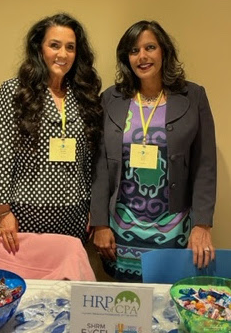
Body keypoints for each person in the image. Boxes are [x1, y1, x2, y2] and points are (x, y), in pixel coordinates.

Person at [91, 20, 217, 282]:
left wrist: (202, 224)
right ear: (127, 57)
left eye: (150, 47)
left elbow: (205, 164)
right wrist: (100, 223)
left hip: (174, 227)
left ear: (164, 52)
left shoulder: (193, 96)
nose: (142, 56)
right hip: (121, 228)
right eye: (134, 51)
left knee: (167, 304)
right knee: (128, 306)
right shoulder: (111, 99)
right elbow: (100, 166)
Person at [0, 13, 102, 253]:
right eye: (54, 45)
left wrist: (96, 208)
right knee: (33, 285)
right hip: (27, 214)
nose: (62, 54)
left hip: (75, 215)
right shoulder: (14, 90)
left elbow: (91, 158)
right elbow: (3, 153)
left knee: (67, 284)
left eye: (70, 47)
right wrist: (3, 212)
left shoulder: (84, 93)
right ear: (39, 49)